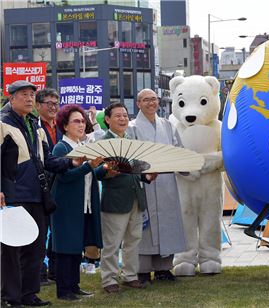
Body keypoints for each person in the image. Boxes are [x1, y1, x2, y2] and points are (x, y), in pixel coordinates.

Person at [1, 80, 85, 307]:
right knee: (11, 250)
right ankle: (11, 296)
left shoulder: (35, 124)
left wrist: (73, 162)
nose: (29, 99)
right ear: (11, 98)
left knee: (36, 249)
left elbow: (47, 160)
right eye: (23, 95)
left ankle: (29, 294)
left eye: (31, 95)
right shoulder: (2, 122)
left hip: (37, 195)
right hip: (12, 195)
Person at [128, 89, 185, 285]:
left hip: (166, 183)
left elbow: (178, 150)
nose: (151, 103)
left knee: (167, 223)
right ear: (138, 104)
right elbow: (128, 157)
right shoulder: (132, 127)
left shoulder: (167, 125)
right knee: (144, 228)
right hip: (144, 184)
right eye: (146, 100)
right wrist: (144, 172)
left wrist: (185, 166)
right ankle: (142, 271)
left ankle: (164, 268)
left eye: (153, 99)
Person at [98, 102, 156, 293]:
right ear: (107, 120)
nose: (123, 119)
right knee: (113, 243)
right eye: (118, 116)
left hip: (136, 197)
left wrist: (147, 176)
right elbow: (97, 172)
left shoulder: (131, 140)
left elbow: (137, 169)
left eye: (124, 115)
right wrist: (108, 172)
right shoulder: (103, 142)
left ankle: (130, 275)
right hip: (115, 200)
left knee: (134, 240)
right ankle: (109, 279)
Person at [50, 104, 105, 301]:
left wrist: (105, 170)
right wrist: (89, 165)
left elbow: (89, 174)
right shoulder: (61, 147)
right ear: (64, 125)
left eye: (83, 121)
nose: (81, 124)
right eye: (76, 121)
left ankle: (74, 286)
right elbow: (65, 177)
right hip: (66, 205)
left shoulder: (82, 146)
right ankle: (64, 290)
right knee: (66, 248)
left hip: (84, 203)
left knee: (76, 247)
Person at [35, 88, 62, 286]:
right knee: (41, 231)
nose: (53, 107)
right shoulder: (34, 126)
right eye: (49, 103)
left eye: (56, 103)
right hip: (42, 186)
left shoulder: (62, 126)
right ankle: (40, 273)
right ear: (38, 106)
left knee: (58, 229)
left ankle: (55, 270)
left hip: (61, 183)